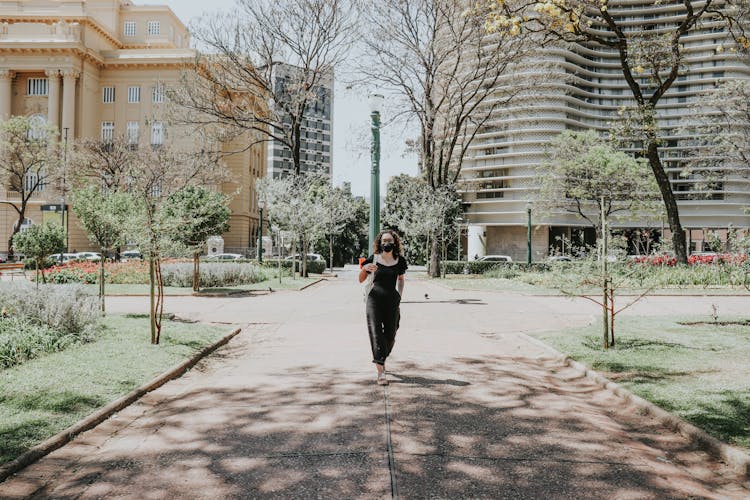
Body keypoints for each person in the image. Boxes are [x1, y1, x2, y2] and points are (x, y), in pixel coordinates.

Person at [358, 230, 407, 385]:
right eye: (384, 240)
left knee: (391, 334)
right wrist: (365, 269)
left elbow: (401, 279)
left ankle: (382, 356)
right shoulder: (374, 259)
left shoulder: (400, 261)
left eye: (390, 240)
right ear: (380, 243)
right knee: (376, 332)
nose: (387, 243)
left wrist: (400, 295)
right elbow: (360, 280)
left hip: (392, 300)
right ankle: (381, 372)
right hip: (374, 299)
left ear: (395, 243)